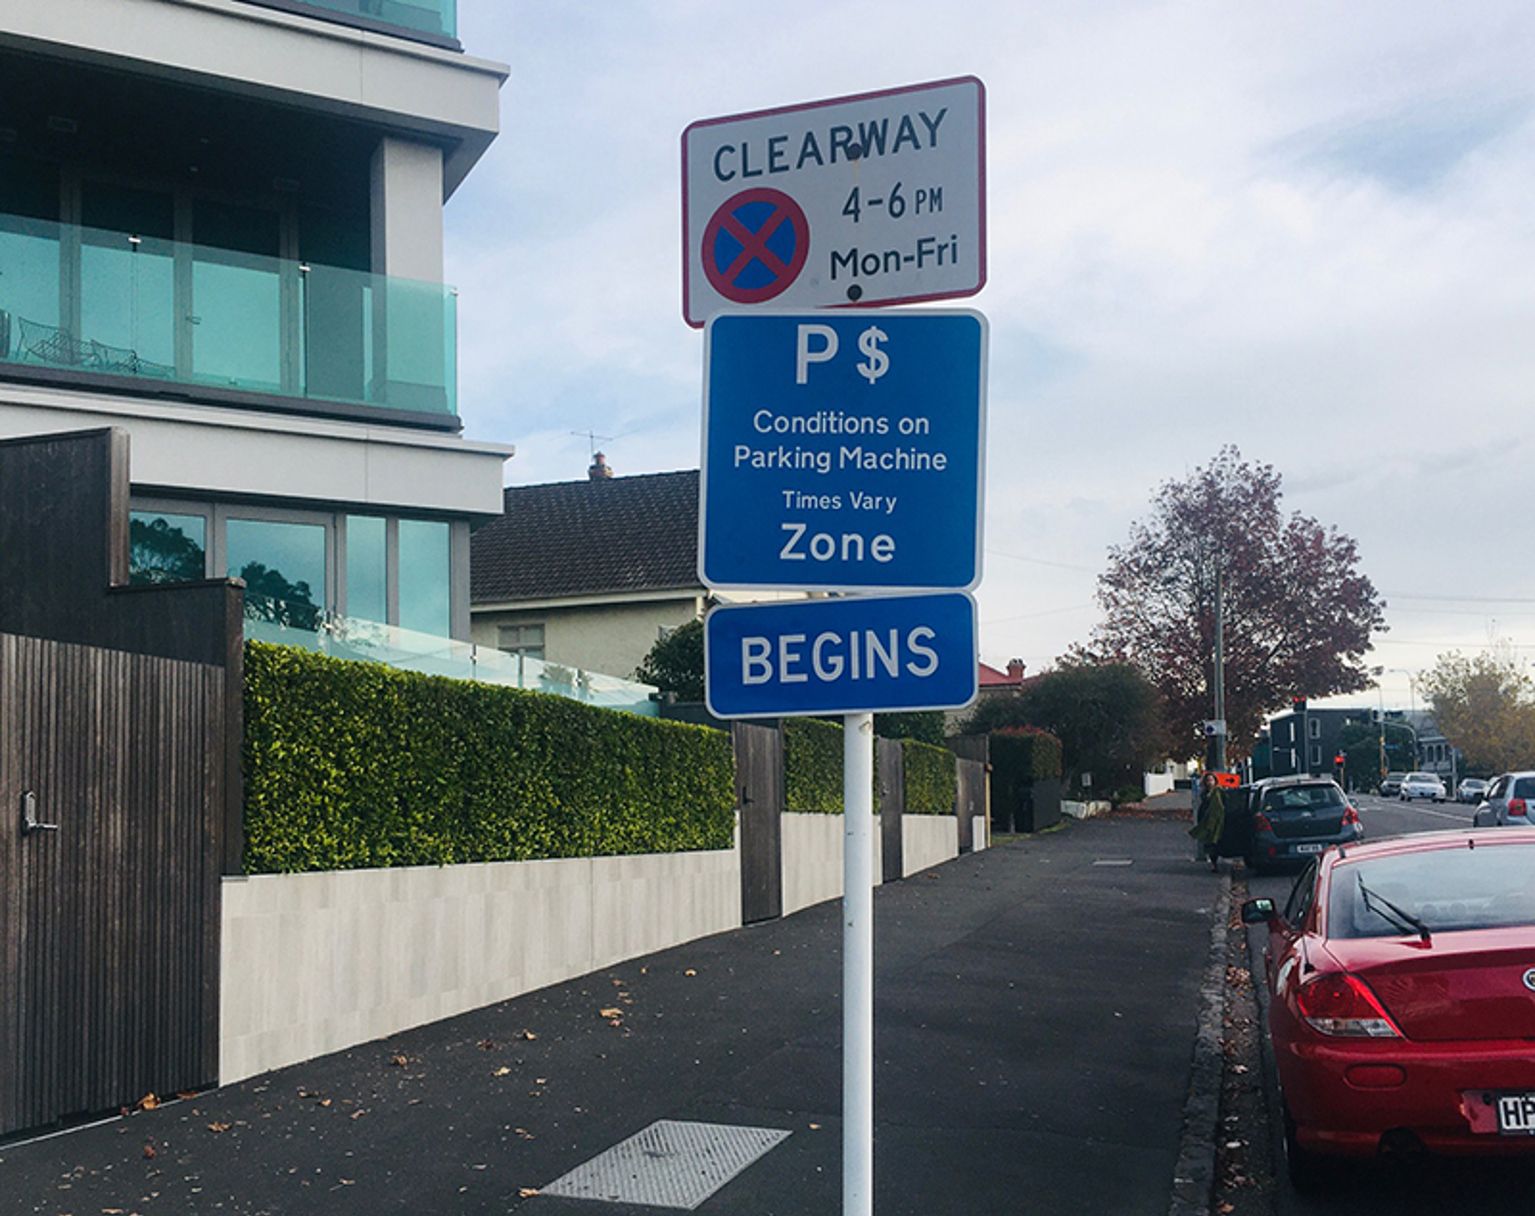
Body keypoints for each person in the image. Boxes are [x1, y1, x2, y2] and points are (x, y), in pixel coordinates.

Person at [1189, 772, 1225, 872]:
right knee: (1209, 842)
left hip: (1215, 820)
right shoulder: (1204, 793)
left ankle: (1214, 862)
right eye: (1208, 780)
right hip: (1206, 819)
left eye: (1211, 780)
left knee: (1214, 841)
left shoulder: (1217, 791)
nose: (1210, 783)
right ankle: (1213, 863)